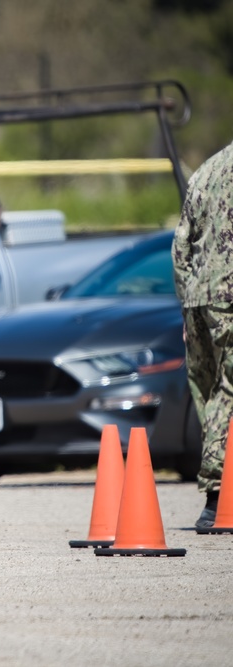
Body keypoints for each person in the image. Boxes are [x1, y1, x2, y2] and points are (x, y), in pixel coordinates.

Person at [172, 139, 233, 529]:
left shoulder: (207, 169)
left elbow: (180, 245)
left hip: (199, 296)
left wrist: (186, 305)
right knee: (229, 389)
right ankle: (217, 493)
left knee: (209, 390)